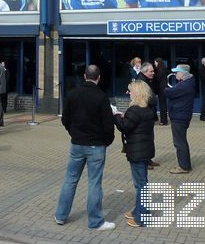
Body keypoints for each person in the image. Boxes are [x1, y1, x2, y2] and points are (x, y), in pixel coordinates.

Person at [54, 65, 115, 231]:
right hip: (96, 145)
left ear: (84, 76)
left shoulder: (73, 94)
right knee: (94, 183)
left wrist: (73, 133)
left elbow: (65, 119)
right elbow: (108, 125)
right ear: (99, 77)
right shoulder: (101, 97)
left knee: (70, 180)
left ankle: (60, 215)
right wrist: (107, 141)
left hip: (77, 144)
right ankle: (95, 221)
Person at [113, 80, 156, 228]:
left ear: (136, 93)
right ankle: (139, 210)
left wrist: (116, 116)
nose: (128, 93)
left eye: (130, 90)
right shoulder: (148, 109)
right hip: (144, 150)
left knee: (141, 185)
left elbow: (124, 127)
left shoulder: (135, 110)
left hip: (138, 151)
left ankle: (141, 217)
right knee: (142, 182)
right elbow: (135, 124)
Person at [165, 64, 196, 175]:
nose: (175, 74)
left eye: (177, 72)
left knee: (179, 142)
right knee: (181, 141)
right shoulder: (186, 83)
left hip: (180, 117)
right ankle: (184, 164)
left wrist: (163, 87)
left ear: (182, 74)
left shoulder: (184, 86)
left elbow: (170, 93)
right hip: (181, 115)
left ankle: (184, 166)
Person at [153, 58, 169, 125]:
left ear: (158, 62)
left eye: (155, 62)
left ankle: (163, 121)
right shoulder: (164, 68)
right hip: (163, 88)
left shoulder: (160, 70)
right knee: (163, 104)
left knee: (162, 105)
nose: (154, 64)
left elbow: (157, 78)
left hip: (161, 89)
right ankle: (164, 120)